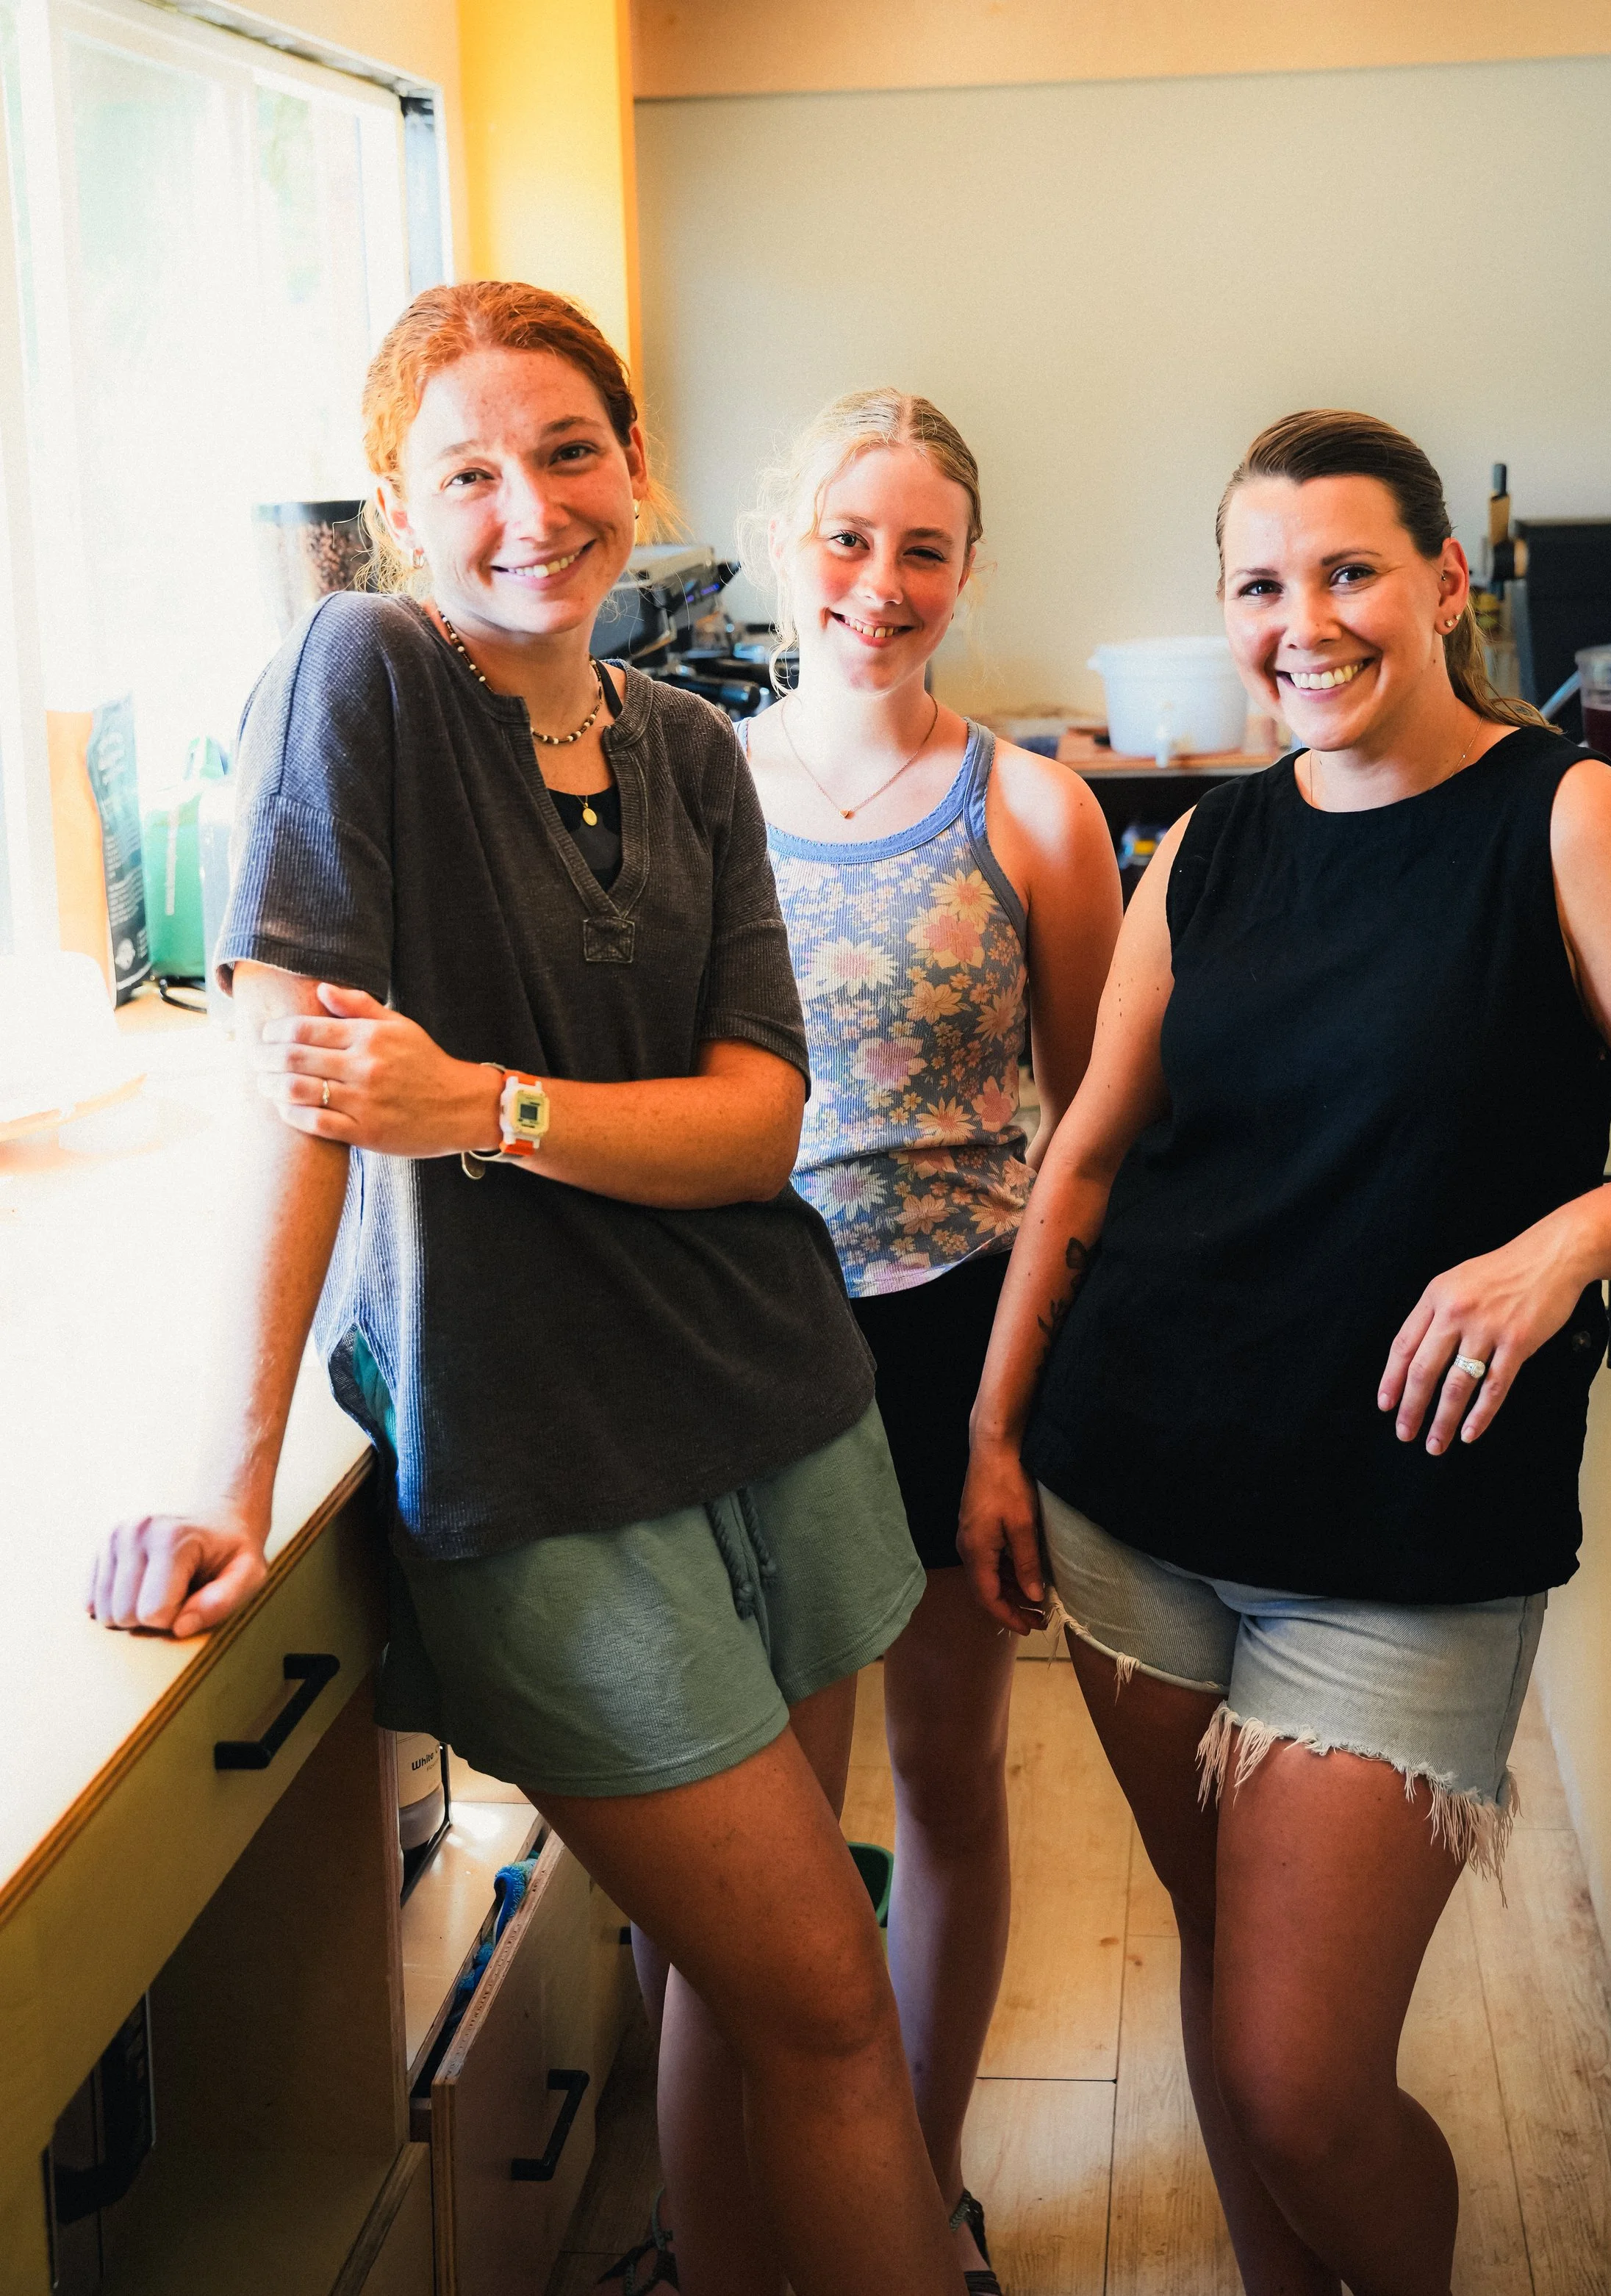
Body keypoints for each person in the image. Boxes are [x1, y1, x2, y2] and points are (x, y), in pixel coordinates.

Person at [87, 281, 964, 2296]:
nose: (527, 508)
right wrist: (228, 1473)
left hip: (781, 1405)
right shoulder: (358, 674)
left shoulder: (686, 748)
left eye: (567, 451)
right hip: (544, 1463)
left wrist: (479, 1099)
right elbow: (304, 1094)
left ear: (634, 465)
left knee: (749, 1997)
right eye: (464, 471)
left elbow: (757, 1128)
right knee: (833, 2008)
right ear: (400, 514)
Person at [957, 409, 1611, 2295]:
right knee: (1233, 1982)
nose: (1302, 622)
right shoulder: (1204, 846)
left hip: (1404, 1541)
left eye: (1346, 573)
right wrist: (997, 1431)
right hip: (1136, 1497)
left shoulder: (1561, 815)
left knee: (1298, 2069)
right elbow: (1087, 1148)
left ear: (1436, 584)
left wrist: (1545, 1251)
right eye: (1260, 584)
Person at [732, 387, 1121, 2289]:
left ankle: (926, 2184)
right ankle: (745, 2209)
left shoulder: (1034, 809)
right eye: (844, 537)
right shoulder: (688, 787)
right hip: (740, 1351)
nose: (876, 586)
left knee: (952, 1786)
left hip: (960, 1350)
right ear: (782, 538)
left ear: (966, 572)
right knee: (771, 1834)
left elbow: (1090, 1139)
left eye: (920, 550)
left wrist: (1006, 1419)